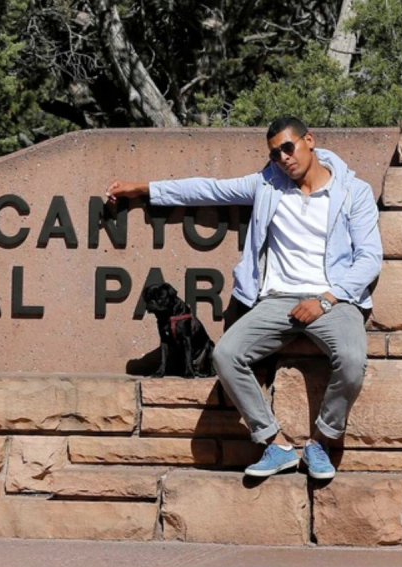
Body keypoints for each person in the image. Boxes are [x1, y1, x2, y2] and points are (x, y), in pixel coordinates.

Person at [105, 116, 382, 481]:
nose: (283, 158)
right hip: (276, 300)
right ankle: (274, 443)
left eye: (289, 147)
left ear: (309, 141)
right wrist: (144, 189)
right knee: (225, 354)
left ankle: (321, 441)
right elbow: (208, 190)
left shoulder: (353, 191)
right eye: (275, 153)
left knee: (351, 360)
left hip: (333, 300)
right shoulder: (267, 186)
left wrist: (326, 300)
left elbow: (369, 258)